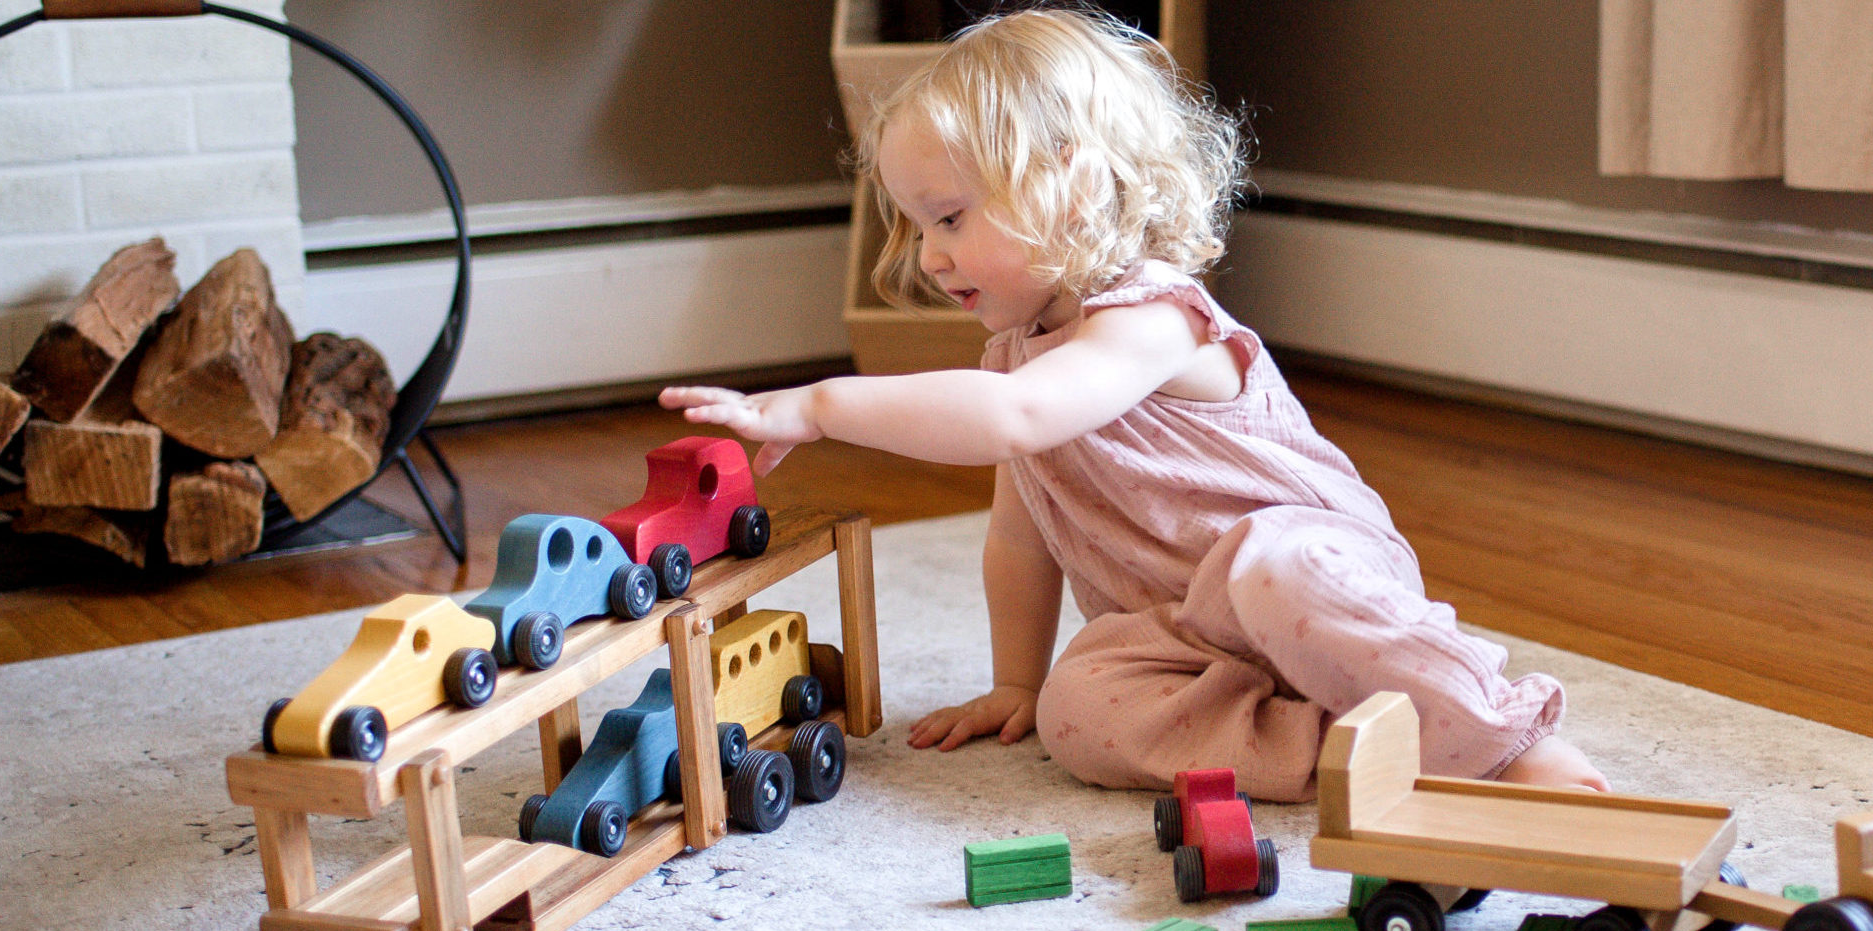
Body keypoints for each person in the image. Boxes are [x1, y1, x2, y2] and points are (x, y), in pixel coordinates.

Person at [663, 7, 1606, 800]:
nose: (929, 256)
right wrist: (1015, 683)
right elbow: (1019, 541)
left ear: (1074, 187)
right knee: (1080, 713)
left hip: (1314, 576)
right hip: (1195, 639)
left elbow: (1018, 417)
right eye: (917, 226)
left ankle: (1505, 736)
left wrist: (822, 405)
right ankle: (1340, 749)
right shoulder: (1012, 361)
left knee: (1269, 564)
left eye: (950, 217)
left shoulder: (1152, 318)